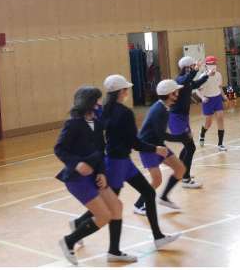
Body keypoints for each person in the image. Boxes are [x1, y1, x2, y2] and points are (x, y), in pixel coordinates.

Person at [72, 75, 180, 252]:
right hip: (117, 164)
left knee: (148, 192)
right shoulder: (124, 113)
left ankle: (158, 237)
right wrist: (155, 149)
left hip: (123, 162)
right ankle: (79, 229)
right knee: (110, 205)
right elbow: (134, 143)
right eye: (126, 89)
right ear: (122, 92)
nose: (128, 91)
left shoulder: (103, 110)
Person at [54, 86, 134, 265]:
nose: (100, 103)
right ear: (88, 102)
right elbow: (59, 149)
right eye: (97, 99)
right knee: (104, 216)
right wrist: (77, 164)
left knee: (117, 206)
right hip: (77, 179)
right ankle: (68, 241)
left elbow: (100, 152)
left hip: (95, 175)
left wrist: (102, 173)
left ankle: (114, 252)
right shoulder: (73, 124)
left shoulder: (97, 123)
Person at [133, 79, 185, 214]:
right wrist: (181, 137)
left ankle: (164, 197)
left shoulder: (165, 107)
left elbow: (160, 135)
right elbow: (161, 134)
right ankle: (138, 205)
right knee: (157, 179)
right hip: (148, 147)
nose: (178, 94)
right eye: (175, 92)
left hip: (158, 145)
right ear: (170, 94)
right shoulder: (159, 110)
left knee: (180, 169)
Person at [169, 56, 209, 188]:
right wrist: (195, 70)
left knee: (187, 147)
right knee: (191, 147)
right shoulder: (179, 80)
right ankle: (186, 179)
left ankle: (181, 171)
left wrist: (207, 75)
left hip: (183, 118)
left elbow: (194, 84)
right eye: (192, 66)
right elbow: (186, 80)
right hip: (176, 119)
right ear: (187, 67)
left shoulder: (187, 81)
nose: (193, 67)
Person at [196, 56, 228, 150]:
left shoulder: (218, 75)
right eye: (210, 64)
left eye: (214, 63)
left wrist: (224, 96)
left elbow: (219, 87)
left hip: (217, 98)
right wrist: (202, 97)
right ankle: (202, 133)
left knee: (220, 118)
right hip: (208, 100)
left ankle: (220, 144)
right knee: (208, 123)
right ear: (206, 65)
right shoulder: (203, 77)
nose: (213, 65)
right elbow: (197, 90)